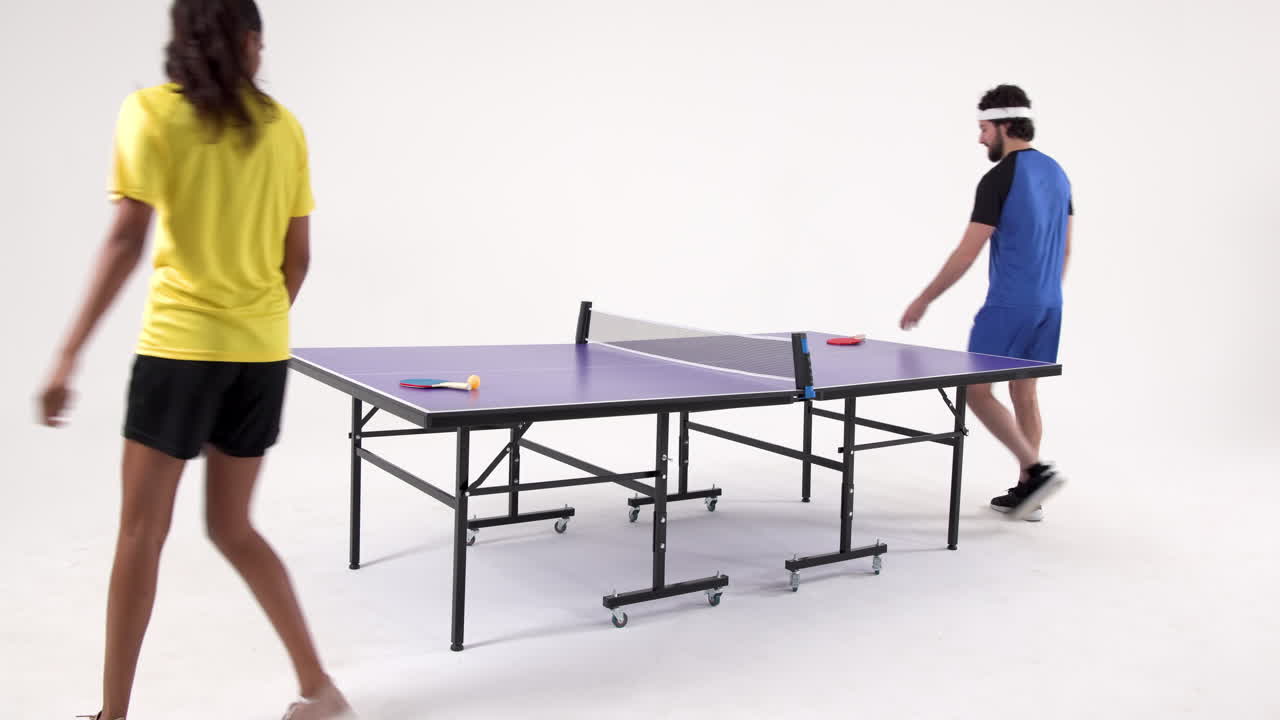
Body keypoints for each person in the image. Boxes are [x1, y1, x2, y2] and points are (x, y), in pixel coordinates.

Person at [39, 1, 353, 718]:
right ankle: (320, 690)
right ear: (248, 41)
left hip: (178, 355)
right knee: (233, 527)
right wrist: (252, 328)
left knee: (141, 534)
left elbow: (126, 240)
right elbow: (296, 260)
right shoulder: (286, 129)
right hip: (261, 358)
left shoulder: (150, 114)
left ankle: (112, 716)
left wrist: (66, 356)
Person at [900, 84, 1070, 522]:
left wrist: (924, 298)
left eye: (983, 129)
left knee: (975, 390)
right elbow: (1067, 248)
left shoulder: (1000, 177)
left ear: (1005, 126)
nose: (980, 139)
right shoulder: (1058, 174)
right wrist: (1045, 292)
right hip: (1049, 303)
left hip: (1008, 305)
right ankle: (1028, 494)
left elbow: (967, 252)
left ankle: (1035, 471)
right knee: (1025, 393)